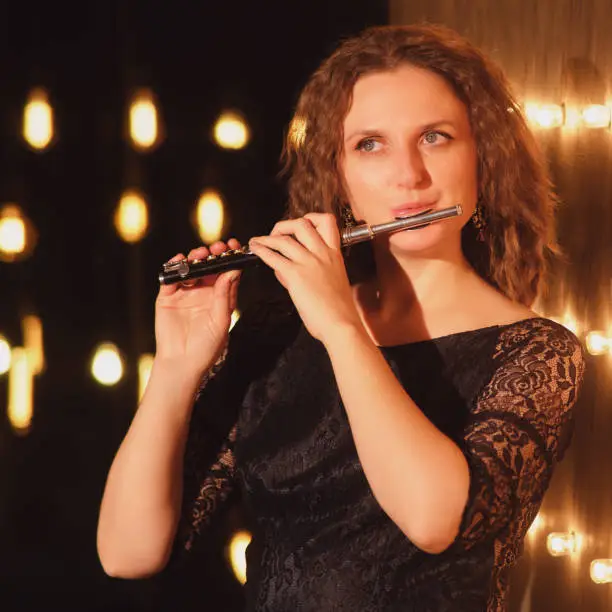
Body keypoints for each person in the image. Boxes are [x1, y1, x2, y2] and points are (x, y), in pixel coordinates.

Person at [96, 24, 586, 611]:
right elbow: (128, 554)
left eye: (434, 137)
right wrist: (176, 367)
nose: (409, 175)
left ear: (482, 154)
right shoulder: (275, 335)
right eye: (370, 144)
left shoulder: (538, 353)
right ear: (340, 177)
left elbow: (434, 520)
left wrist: (341, 327)